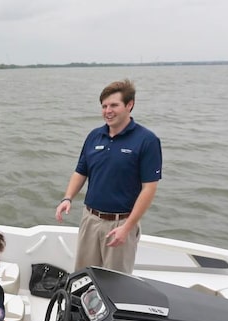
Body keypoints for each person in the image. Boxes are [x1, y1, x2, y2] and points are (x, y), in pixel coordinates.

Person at [55, 79, 162, 274]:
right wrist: (67, 198)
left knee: (115, 283)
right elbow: (81, 171)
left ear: (130, 105)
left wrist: (127, 228)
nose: (108, 111)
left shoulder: (147, 141)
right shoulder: (94, 136)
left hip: (121, 223)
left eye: (114, 105)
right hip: (90, 219)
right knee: (84, 277)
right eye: (104, 106)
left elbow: (149, 188)